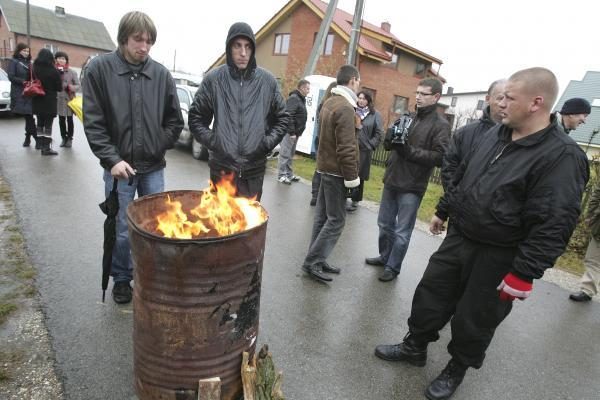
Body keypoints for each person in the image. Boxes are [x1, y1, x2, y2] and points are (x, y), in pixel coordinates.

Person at [375, 68, 589, 400]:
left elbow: (555, 222)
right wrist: (444, 209)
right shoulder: (494, 135)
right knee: (431, 295)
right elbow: (466, 179)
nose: (501, 103)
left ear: (536, 102)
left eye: (510, 98)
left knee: (476, 317)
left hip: (500, 254)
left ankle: (455, 369)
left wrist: (523, 273)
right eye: (500, 96)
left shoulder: (561, 156)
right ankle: (414, 346)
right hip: (461, 237)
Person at [83, 11, 184, 304]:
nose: (144, 47)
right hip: (120, 169)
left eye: (149, 41)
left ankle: (152, 277)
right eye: (138, 40)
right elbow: (94, 122)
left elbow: (174, 121)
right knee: (124, 229)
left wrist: (157, 146)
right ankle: (123, 279)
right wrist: (112, 159)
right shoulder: (100, 70)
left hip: (153, 168)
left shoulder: (161, 74)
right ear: (124, 37)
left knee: (156, 227)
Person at [189, 22, 288, 200]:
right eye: (238, 46)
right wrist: (214, 141)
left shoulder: (267, 82)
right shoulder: (214, 80)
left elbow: (282, 119)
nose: (243, 53)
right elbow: (196, 118)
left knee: (249, 226)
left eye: (248, 47)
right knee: (219, 224)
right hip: (222, 171)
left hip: (253, 173)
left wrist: (265, 143)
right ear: (229, 47)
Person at [365, 78, 450, 282]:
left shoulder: (441, 125)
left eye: (424, 93)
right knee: (384, 224)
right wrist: (389, 139)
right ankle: (385, 257)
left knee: (402, 231)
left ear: (436, 97)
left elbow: (439, 157)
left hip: (412, 186)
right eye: (417, 92)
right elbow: (391, 144)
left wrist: (408, 151)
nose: (418, 96)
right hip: (392, 178)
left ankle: (393, 267)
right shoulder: (408, 116)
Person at [301, 64, 361, 282]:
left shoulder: (330, 102)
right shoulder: (344, 107)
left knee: (322, 218)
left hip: (325, 168)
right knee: (336, 220)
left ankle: (317, 257)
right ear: (353, 80)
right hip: (336, 172)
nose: (359, 85)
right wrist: (352, 179)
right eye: (358, 81)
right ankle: (312, 261)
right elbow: (346, 147)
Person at [440, 79, 505, 193]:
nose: (504, 104)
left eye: (510, 99)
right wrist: (455, 197)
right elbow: (449, 167)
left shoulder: (519, 136)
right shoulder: (464, 133)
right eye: (500, 98)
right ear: (488, 99)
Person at [346, 89, 383, 212]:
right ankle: (344, 196)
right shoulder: (352, 110)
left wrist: (370, 145)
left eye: (364, 98)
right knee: (348, 171)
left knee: (359, 175)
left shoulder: (375, 114)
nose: (361, 101)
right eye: (359, 98)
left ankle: (355, 200)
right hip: (350, 147)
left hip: (364, 150)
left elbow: (379, 133)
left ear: (368, 101)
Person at [277, 79, 310, 184]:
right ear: (301, 88)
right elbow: (289, 115)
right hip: (289, 133)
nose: (308, 91)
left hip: (296, 133)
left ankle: (289, 174)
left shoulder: (301, 99)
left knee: (290, 154)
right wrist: (291, 132)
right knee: (285, 154)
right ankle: (281, 175)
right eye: (307, 88)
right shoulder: (294, 99)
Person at [310, 80, 337, 206]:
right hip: (328, 141)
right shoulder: (332, 106)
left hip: (320, 140)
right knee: (325, 170)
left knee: (319, 168)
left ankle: (315, 195)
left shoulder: (322, 105)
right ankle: (320, 196)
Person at [32, 48, 63, 156]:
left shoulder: (34, 68)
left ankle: (40, 144)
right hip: (49, 100)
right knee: (48, 125)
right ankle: (46, 148)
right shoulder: (53, 71)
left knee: (40, 123)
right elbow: (59, 87)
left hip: (37, 98)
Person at [7, 43, 38, 148]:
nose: (26, 53)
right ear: (19, 51)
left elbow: (34, 77)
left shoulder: (30, 63)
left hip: (29, 92)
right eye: (24, 50)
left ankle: (28, 138)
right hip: (19, 92)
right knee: (28, 116)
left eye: (27, 51)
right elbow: (11, 76)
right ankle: (36, 138)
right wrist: (23, 82)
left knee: (29, 115)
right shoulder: (14, 62)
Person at [54, 51, 81, 148]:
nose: (61, 60)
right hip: (59, 99)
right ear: (56, 59)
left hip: (69, 99)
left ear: (66, 61)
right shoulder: (53, 71)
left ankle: (70, 138)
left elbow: (78, 85)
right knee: (61, 120)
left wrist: (71, 87)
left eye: (63, 59)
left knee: (69, 120)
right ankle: (63, 138)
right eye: (59, 58)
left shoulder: (72, 72)